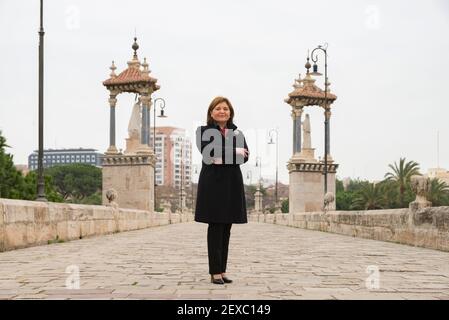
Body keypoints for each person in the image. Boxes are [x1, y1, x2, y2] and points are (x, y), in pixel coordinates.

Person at [195, 96, 249, 285]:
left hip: (232, 183)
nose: (222, 111)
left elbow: (245, 157)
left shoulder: (237, 133)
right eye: (218, 108)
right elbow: (210, 155)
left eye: (226, 108)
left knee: (227, 227)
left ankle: (223, 270)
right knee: (216, 226)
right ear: (211, 112)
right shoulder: (203, 131)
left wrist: (223, 153)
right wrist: (234, 152)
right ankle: (214, 272)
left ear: (230, 113)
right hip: (213, 184)